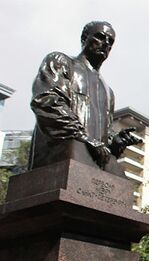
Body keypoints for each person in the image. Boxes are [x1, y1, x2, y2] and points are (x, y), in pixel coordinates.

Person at [29, 21, 140, 176]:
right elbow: (47, 101)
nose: (105, 44)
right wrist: (83, 137)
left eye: (110, 42)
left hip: (91, 168)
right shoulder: (61, 62)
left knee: (119, 177)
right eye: (100, 37)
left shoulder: (108, 92)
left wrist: (114, 142)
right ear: (84, 38)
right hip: (57, 160)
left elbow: (104, 135)